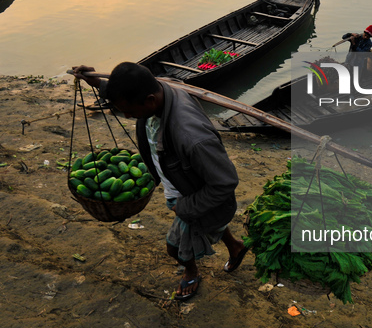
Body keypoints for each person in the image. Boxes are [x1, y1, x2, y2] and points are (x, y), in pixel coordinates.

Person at [73, 62, 247, 301]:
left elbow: (225, 183)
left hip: (190, 195)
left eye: (130, 111)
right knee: (209, 222)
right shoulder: (160, 90)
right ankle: (236, 246)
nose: (127, 116)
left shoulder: (191, 136)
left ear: (150, 101)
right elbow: (134, 90)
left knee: (174, 248)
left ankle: (191, 271)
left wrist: (184, 207)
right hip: (180, 182)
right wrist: (100, 85)